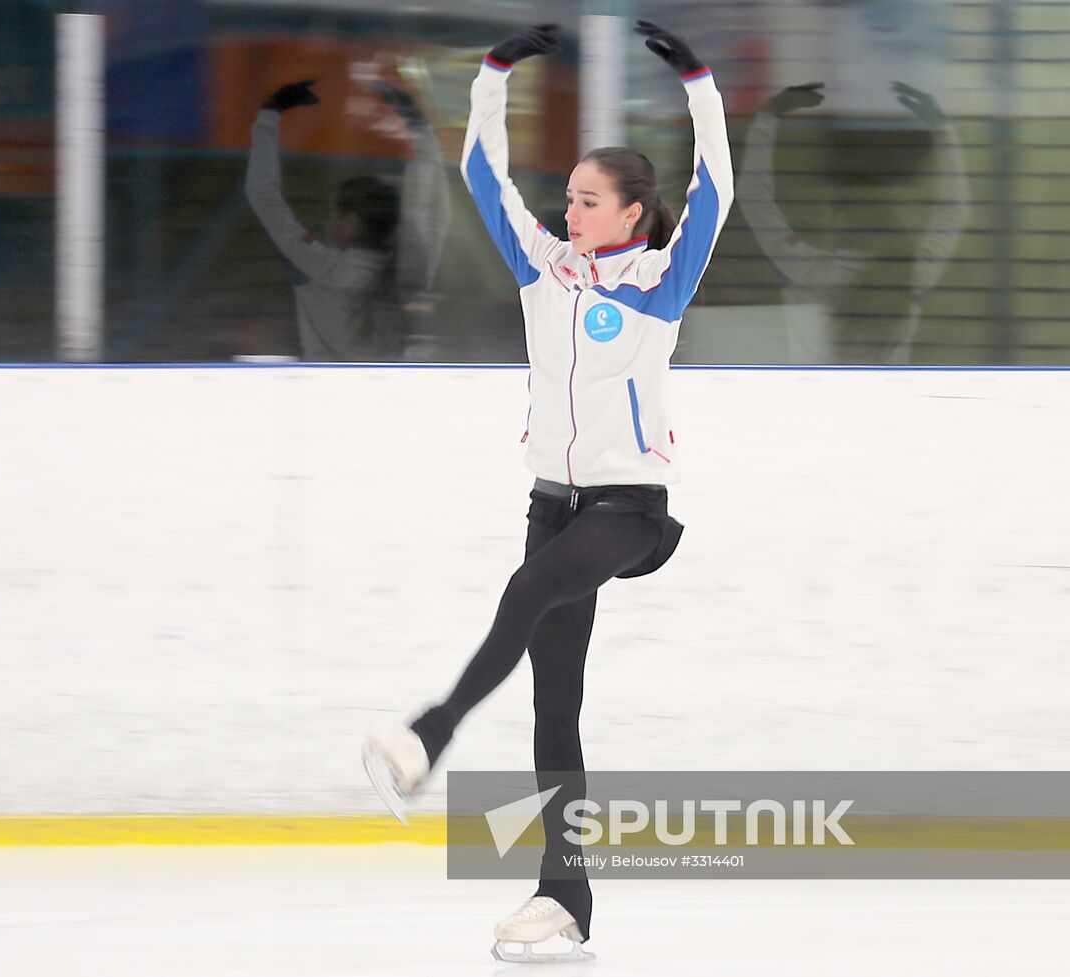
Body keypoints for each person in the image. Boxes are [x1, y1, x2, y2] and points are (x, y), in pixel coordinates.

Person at [361, 21, 734, 963]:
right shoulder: (543, 268)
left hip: (629, 507)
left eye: (587, 201)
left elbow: (717, 189)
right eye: (566, 197)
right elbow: (481, 173)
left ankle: (429, 734)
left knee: (528, 590)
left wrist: (696, 81)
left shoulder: (659, 281)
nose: (568, 212)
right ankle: (565, 898)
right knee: (553, 704)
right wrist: (494, 72)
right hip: (553, 502)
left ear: (632, 213)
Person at [738, 81, 969, 364]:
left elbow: (755, 199)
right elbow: (953, 211)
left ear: (840, 222)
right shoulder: (911, 273)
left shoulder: (808, 268)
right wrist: (942, 129)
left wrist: (768, 116)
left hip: (816, 392)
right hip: (888, 393)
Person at [244, 77, 450, 361]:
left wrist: (271, 112)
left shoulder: (316, 264)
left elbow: (262, 195)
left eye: (333, 214)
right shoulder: (413, 269)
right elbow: (435, 210)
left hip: (323, 387)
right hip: (393, 387)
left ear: (351, 222)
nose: (328, 222)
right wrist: (418, 125)